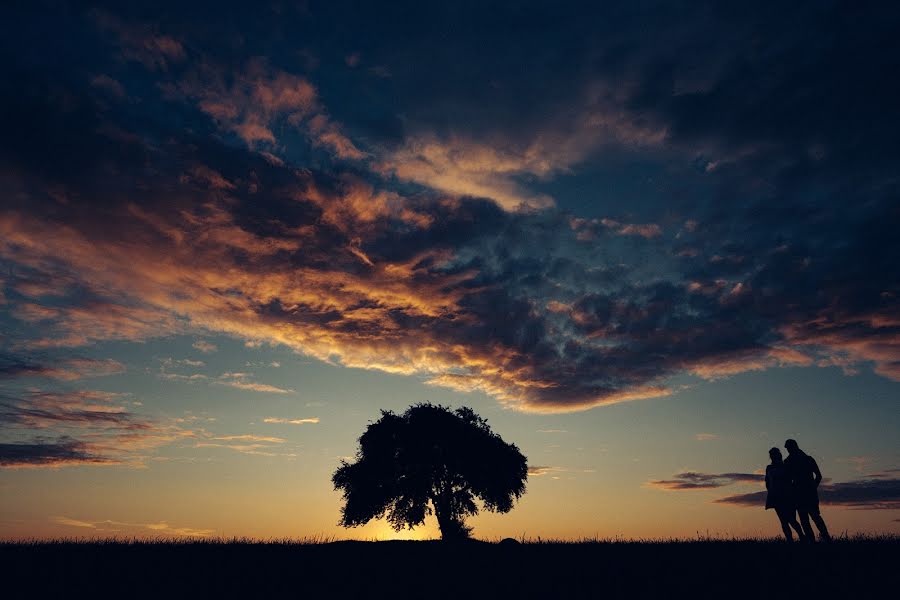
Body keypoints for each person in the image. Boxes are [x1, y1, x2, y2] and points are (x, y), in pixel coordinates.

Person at [784, 439, 831, 542]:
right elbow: (787, 480)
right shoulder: (791, 461)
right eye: (787, 448)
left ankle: (824, 538)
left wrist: (812, 487)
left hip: (806, 493)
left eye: (789, 448)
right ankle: (814, 540)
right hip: (800, 493)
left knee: (813, 517)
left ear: (794, 446)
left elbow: (818, 476)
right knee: (806, 519)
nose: (788, 450)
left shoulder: (806, 459)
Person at [765, 447, 805, 541]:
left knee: (792, 520)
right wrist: (771, 491)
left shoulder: (786, 466)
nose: (773, 456)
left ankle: (802, 537)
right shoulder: (769, 468)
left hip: (788, 496)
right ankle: (790, 540)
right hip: (775, 496)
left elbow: (792, 479)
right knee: (783, 521)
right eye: (771, 455)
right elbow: (767, 482)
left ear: (778, 455)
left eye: (774, 454)